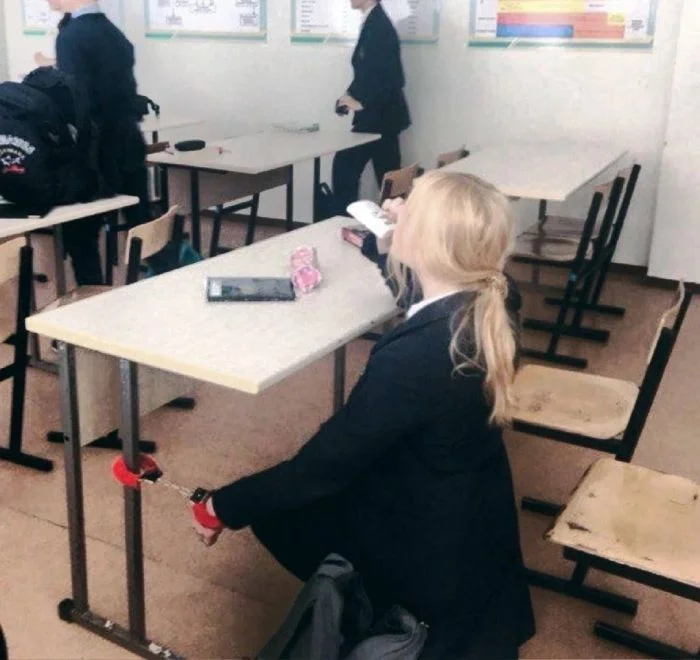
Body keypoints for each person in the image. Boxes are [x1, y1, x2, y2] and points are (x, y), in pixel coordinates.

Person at [191, 170, 536, 658]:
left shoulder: (415, 358)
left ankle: (367, 610)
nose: (395, 206)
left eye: (408, 206)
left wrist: (222, 506)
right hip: (474, 503)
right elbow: (426, 294)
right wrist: (386, 244)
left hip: (424, 530)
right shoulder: (495, 299)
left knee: (285, 509)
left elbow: (322, 467)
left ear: (426, 243)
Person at [52, 0, 149, 284]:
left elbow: (77, 100)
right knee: (144, 224)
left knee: (80, 232)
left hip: (96, 153)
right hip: (128, 141)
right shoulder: (112, 32)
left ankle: (92, 295)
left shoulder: (71, 36)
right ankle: (167, 283)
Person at [331, 0, 411, 213]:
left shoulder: (379, 25)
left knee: (346, 170)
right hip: (380, 118)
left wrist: (361, 104)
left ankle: (343, 223)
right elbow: (368, 73)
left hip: (379, 119)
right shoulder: (373, 21)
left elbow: (393, 78)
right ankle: (396, 225)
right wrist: (348, 96)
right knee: (389, 181)